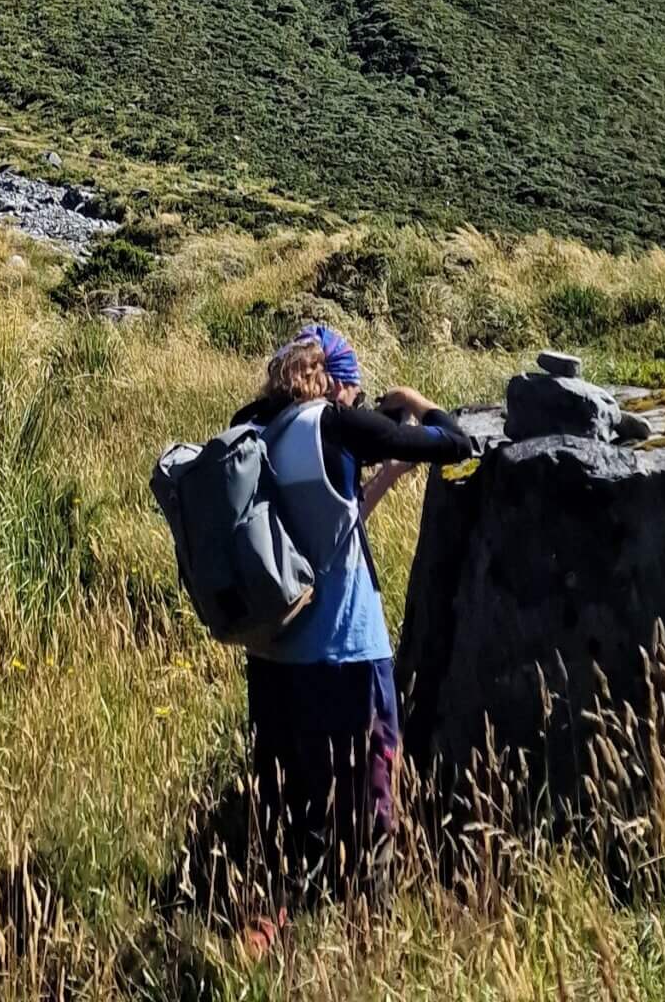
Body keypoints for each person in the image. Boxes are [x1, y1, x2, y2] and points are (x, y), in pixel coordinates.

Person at [230, 323, 474, 926]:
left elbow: (326, 524)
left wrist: (386, 474)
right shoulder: (337, 423)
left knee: (291, 811)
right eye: (358, 393)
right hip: (345, 655)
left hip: (272, 658)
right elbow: (457, 444)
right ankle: (371, 934)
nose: (360, 404)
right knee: (369, 801)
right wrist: (416, 405)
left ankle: (273, 932)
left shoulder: (255, 427)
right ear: (337, 383)